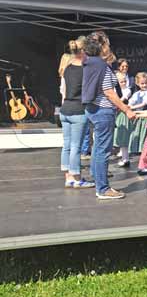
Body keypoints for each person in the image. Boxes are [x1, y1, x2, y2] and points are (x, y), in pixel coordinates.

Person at [82, 31, 136, 200]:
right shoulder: (101, 66)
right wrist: (126, 109)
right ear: (102, 47)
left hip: (92, 109)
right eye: (107, 44)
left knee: (98, 149)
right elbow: (109, 92)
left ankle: (99, 181)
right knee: (102, 150)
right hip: (102, 111)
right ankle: (103, 188)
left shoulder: (88, 63)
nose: (109, 48)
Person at [60, 36, 95, 188]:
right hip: (78, 111)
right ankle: (77, 178)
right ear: (84, 51)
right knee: (76, 146)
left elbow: (65, 91)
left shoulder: (67, 68)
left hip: (65, 109)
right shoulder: (85, 69)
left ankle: (68, 178)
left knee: (67, 145)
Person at [113, 72, 133, 167]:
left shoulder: (127, 90)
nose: (124, 83)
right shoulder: (114, 90)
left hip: (122, 115)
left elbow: (121, 101)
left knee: (123, 137)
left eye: (125, 81)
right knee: (118, 137)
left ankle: (125, 159)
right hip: (115, 115)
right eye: (121, 82)